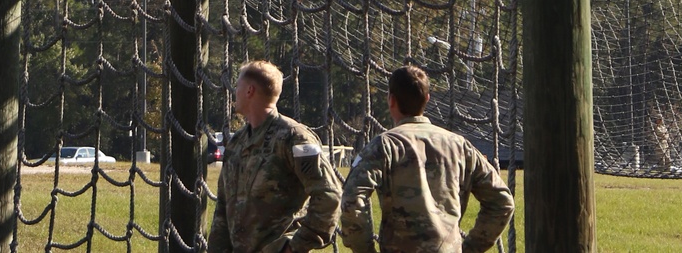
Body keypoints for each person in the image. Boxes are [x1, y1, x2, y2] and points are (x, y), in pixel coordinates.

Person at [340, 64, 514, 253]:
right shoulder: (459, 145)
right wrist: (471, 248)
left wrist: (364, 250)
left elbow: (352, 199)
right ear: (427, 99)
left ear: (391, 100)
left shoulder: (384, 146)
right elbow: (502, 201)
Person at [208, 59, 341, 253]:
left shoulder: (293, 137)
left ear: (249, 91)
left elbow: (329, 195)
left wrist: (294, 246)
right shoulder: (237, 142)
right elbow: (222, 207)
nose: (234, 93)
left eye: (238, 86)